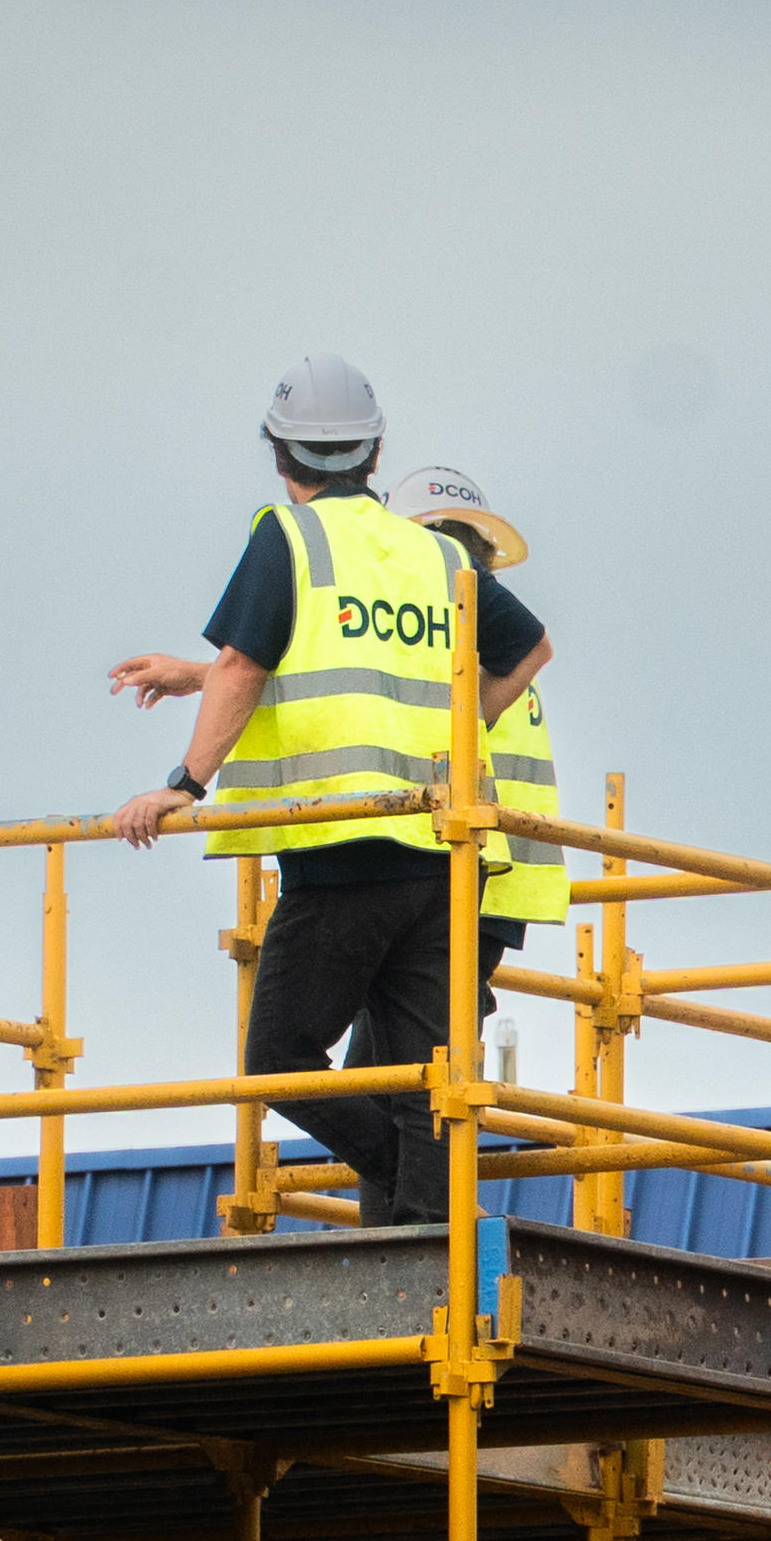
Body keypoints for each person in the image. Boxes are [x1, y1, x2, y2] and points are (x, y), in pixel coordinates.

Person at [107, 359, 546, 1225]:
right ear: (375, 452)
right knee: (430, 1077)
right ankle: (432, 1234)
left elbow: (248, 663)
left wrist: (183, 784)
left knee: (277, 1055)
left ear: (282, 457)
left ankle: (403, 1188)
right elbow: (527, 649)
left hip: (341, 847)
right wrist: (464, 735)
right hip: (439, 852)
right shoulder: (432, 552)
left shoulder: (289, 536)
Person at [385, 461, 566, 1031]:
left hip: (466, 857)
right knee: (422, 1046)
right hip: (493, 868)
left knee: (412, 1056)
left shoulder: (449, 626)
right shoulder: (491, 640)